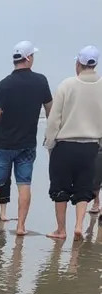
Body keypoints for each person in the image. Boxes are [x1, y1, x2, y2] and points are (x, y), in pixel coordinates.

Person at [0, 41, 52, 236]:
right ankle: (21, 226)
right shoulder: (41, 81)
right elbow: (51, 110)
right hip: (27, 142)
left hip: (5, 143)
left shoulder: (5, 84)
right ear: (28, 58)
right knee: (24, 184)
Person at [44, 45, 102, 241]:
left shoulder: (67, 85)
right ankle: (78, 225)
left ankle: (61, 230)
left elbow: (54, 119)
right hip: (91, 145)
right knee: (84, 187)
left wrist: (49, 143)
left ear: (79, 63)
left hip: (65, 145)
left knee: (60, 188)